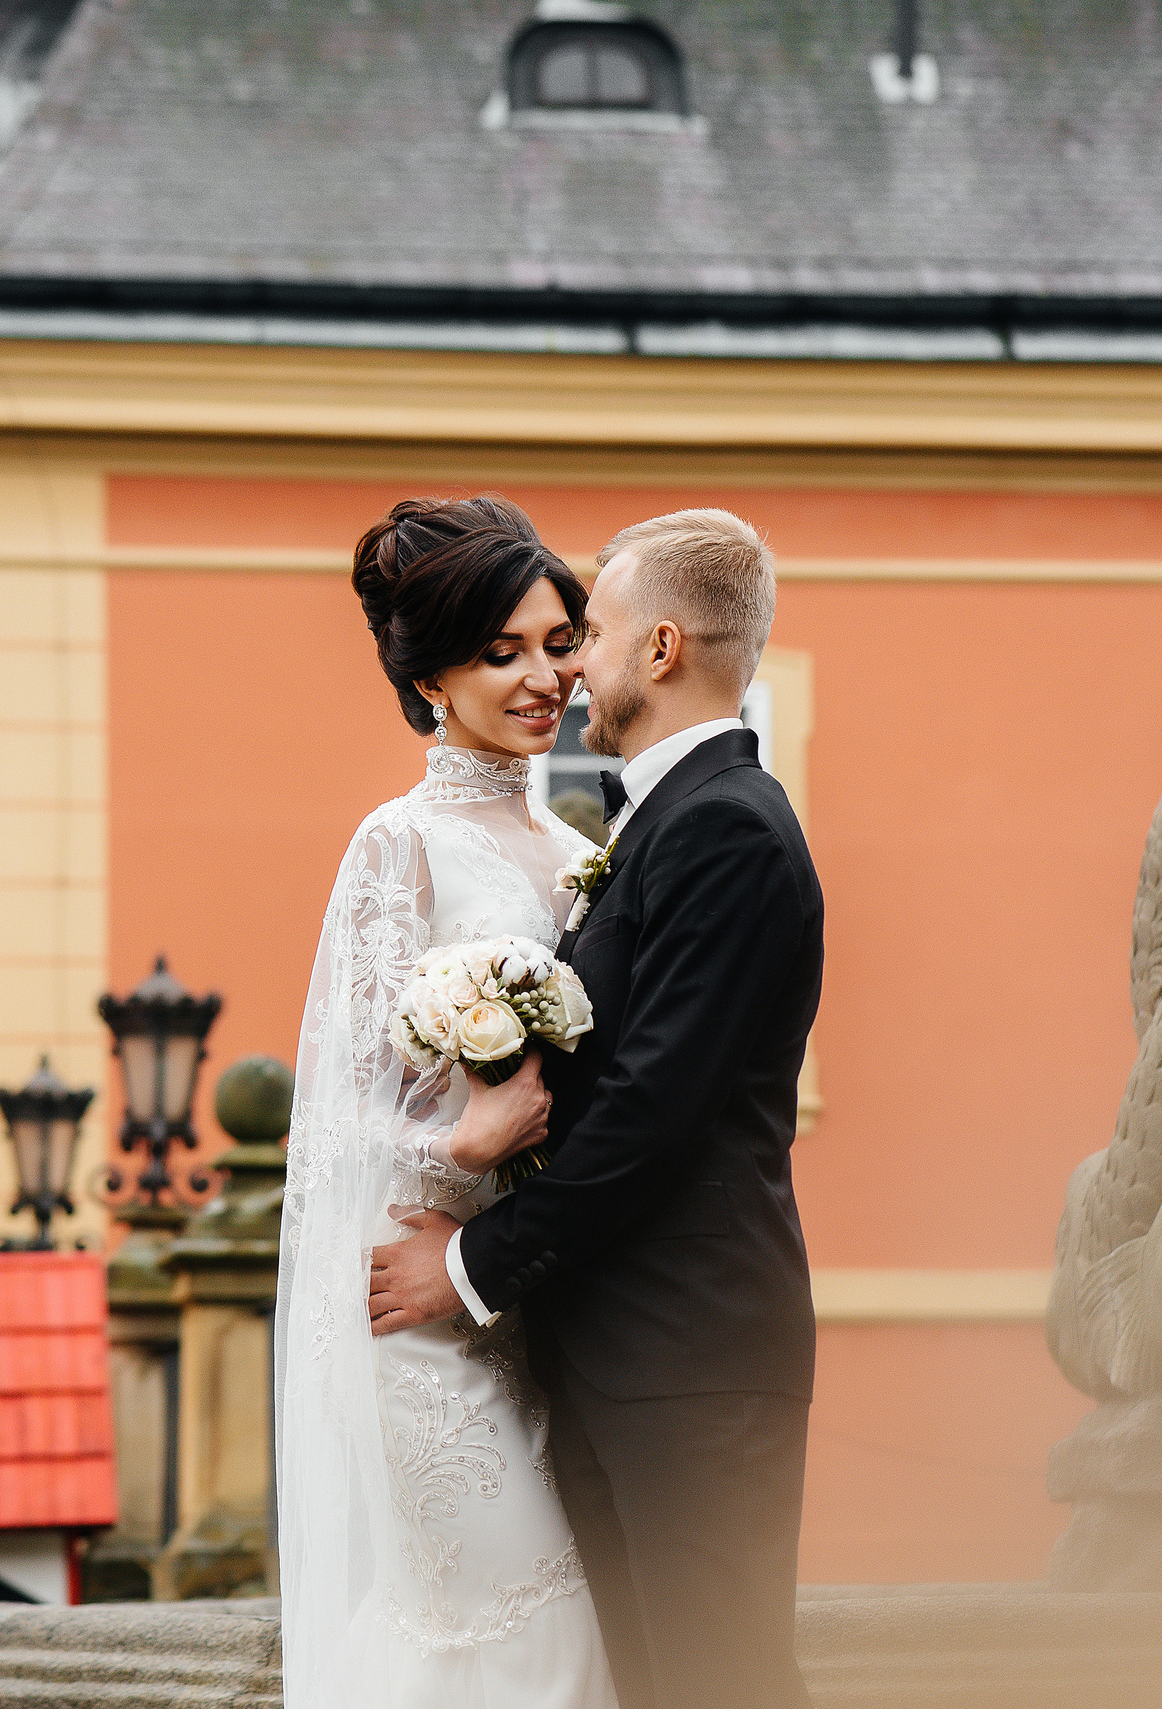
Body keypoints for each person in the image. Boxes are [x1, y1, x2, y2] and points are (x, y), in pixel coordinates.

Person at [367, 509, 824, 1709]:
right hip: (626, 1354)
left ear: (661, 647)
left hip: (692, 1361)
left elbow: (650, 1113)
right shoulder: (652, 822)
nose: (572, 666)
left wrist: (468, 1264)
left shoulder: (725, 828)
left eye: (593, 632)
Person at [279, 495, 617, 1709]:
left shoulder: (580, 851)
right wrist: (454, 1136)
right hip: (413, 1311)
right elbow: (334, 1112)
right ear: (429, 674)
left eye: (560, 641)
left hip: (534, 1301)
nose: (546, 677)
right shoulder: (398, 843)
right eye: (503, 651)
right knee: (520, 1624)